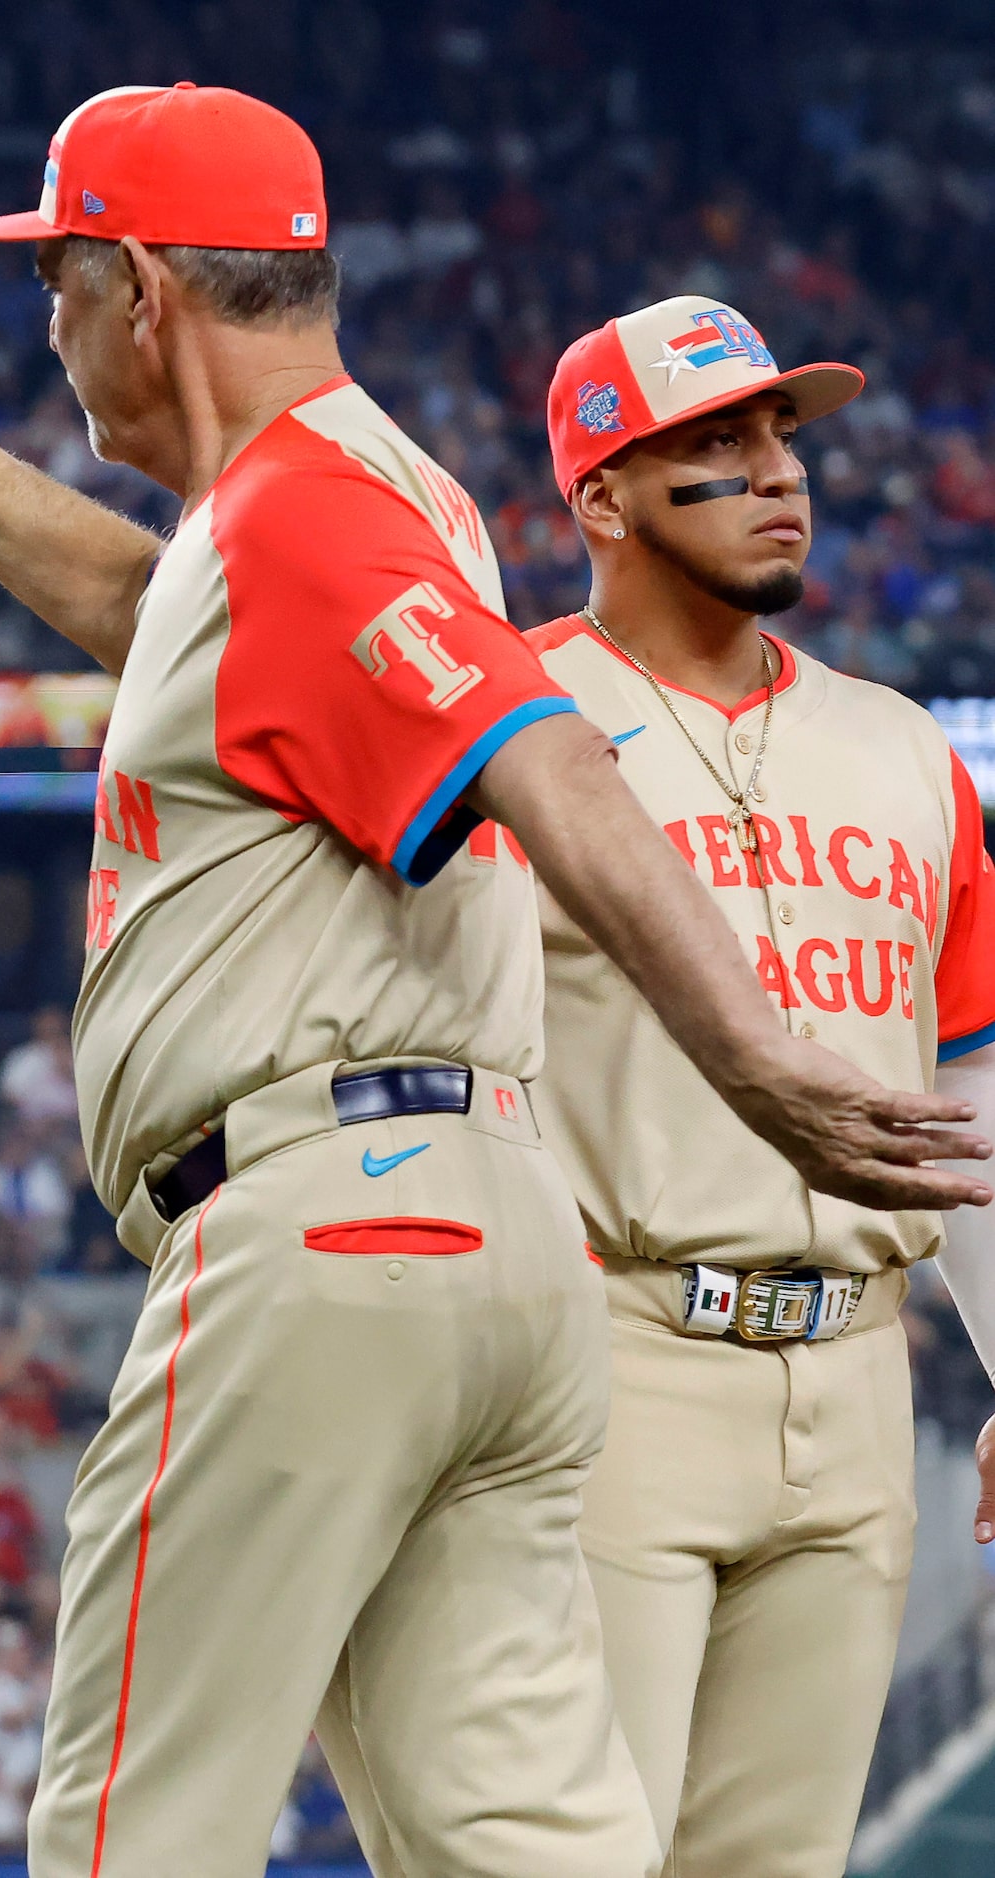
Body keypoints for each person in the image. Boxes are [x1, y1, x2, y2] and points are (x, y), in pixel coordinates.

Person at [0, 84, 987, 1878]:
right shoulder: (361, 497)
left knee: (133, 1823)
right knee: (526, 1838)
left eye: (60, 287)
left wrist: (750, 1055)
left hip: (325, 1220)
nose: (54, 328)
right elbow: (147, 606)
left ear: (145, 294)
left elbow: (547, 759)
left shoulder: (309, 513)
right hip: (490, 1254)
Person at [521, 297, 995, 1874]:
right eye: (714, 445)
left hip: (860, 1375)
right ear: (600, 496)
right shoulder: (504, 725)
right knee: (576, 1853)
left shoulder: (899, 747)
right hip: (610, 1353)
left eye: (782, 436)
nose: (776, 472)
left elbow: (968, 1086)